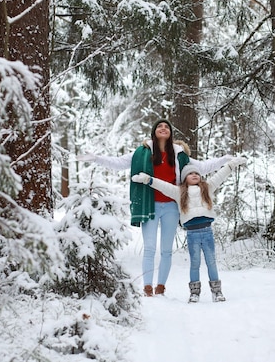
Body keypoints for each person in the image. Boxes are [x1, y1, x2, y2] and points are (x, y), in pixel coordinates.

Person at [79, 119, 232, 297]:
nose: (163, 128)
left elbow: (203, 167)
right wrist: (97, 158)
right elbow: (119, 162)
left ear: (171, 133)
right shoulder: (142, 152)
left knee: (166, 250)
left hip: (172, 207)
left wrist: (224, 160)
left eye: (167, 126)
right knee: (150, 248)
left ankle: (161, 287)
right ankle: (147, 288)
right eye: (159, 126)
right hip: (149, 205)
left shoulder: (179, 154)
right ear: (154, 132)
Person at [132, 156, 247, 303]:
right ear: (184, 178)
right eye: (190, 174)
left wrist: (231, 164)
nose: (194, 175)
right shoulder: (179, 192)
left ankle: (217, 291)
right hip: (192, 233)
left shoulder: (208, 187)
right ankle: (194, 293)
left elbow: (221, 175)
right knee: (195, 263)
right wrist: (148, 179)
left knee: (211, 262)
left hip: (207, 232)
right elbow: (163, 186)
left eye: (197, 173)